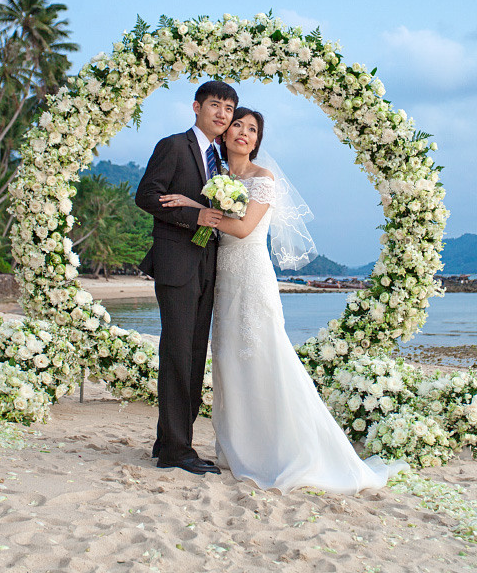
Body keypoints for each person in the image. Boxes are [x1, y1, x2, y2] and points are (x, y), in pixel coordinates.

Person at [161, 107, 406, 493]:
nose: (243, 132)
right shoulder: (218, 178)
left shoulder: (263, 179)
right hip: (221, 280)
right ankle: (240, 449)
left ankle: (283, 452)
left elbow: (242, 228)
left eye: (252, 129)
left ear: (258, 141)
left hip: (252, 275)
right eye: (237, 125)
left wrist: (194, 209)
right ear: (224, 135)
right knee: (228, 362)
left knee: (265, 356)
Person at [134, 81, 238, 476]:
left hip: (209, 266)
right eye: (215, 105)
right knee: (178, 355)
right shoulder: (174, 145)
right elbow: (146, 195)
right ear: (196, 106)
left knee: (195, 356)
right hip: (177, 265)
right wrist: (194, 216)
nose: (222, 114)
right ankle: (177, 450)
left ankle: (170, 441)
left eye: (229, 109)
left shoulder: (222, 159)